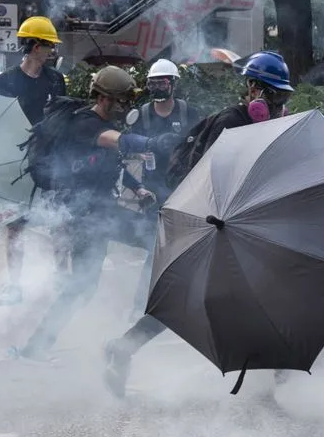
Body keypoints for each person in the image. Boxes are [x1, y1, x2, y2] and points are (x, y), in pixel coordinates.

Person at [102, 52, 293, 396]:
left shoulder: (267, 126)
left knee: (233, 296)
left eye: (282, 95)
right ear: (251, 89)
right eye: (271, 92)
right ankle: (284, 378)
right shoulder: (230, 123)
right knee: (196, 299)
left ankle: (124, 348)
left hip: (235, 225)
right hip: (209, 222)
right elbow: (211, 181)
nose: (277, 102)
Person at [9, 67, 172, 361]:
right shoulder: (85, 123)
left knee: (157, 239)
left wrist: (138, 190)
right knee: (83, 288)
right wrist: (151, 143)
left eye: (125, 101)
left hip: (102, 211)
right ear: (102, 97)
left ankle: (143, 312)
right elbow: (117, 141)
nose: (123, 106)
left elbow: (116, 163)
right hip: (83, 215)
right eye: (118, 100)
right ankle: (35, 349)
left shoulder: (105, 122)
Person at [0, 17, 68, 306]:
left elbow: (64, 116)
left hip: (51, 160)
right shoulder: (6, 81)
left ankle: (63, 278)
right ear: (35, 46)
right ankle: (14, 285)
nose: (52, 52)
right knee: (15, 224)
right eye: (49, 46)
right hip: (18, 163)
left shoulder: (55, 79)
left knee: (60, 221)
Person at [121, 59, 193, 317]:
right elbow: (126, 143)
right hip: (152, 192)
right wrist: (146, 147)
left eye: (162, 82)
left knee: (184, 249)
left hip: (185, 190)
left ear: (173, 83)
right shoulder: (142, 115)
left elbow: (205, 140)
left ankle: (178, 307)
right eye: (153, 83)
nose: (158, 87)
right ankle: (141, 307)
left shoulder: (187, 112)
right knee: (156, 249)